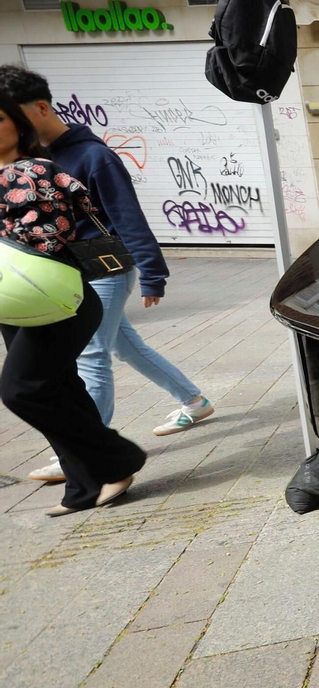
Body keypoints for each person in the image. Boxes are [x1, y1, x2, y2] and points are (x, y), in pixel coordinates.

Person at [0, 66, 213, 486]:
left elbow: (125, 215)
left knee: (90, 357)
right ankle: (194, 399)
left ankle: (87, 455)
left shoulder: (93, 156)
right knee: (123, 344)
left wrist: (153, 273)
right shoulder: (23, 160)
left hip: (99, 270)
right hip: (57, 277)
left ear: (38, 109)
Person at [0, 94, 145, 515]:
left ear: (19, 124)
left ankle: (119, 459)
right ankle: (85, 486)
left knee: (21, 389)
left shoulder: (31, 172)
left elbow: (47, 237)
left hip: (55, 297)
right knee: (60, 387)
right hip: (18, 300)